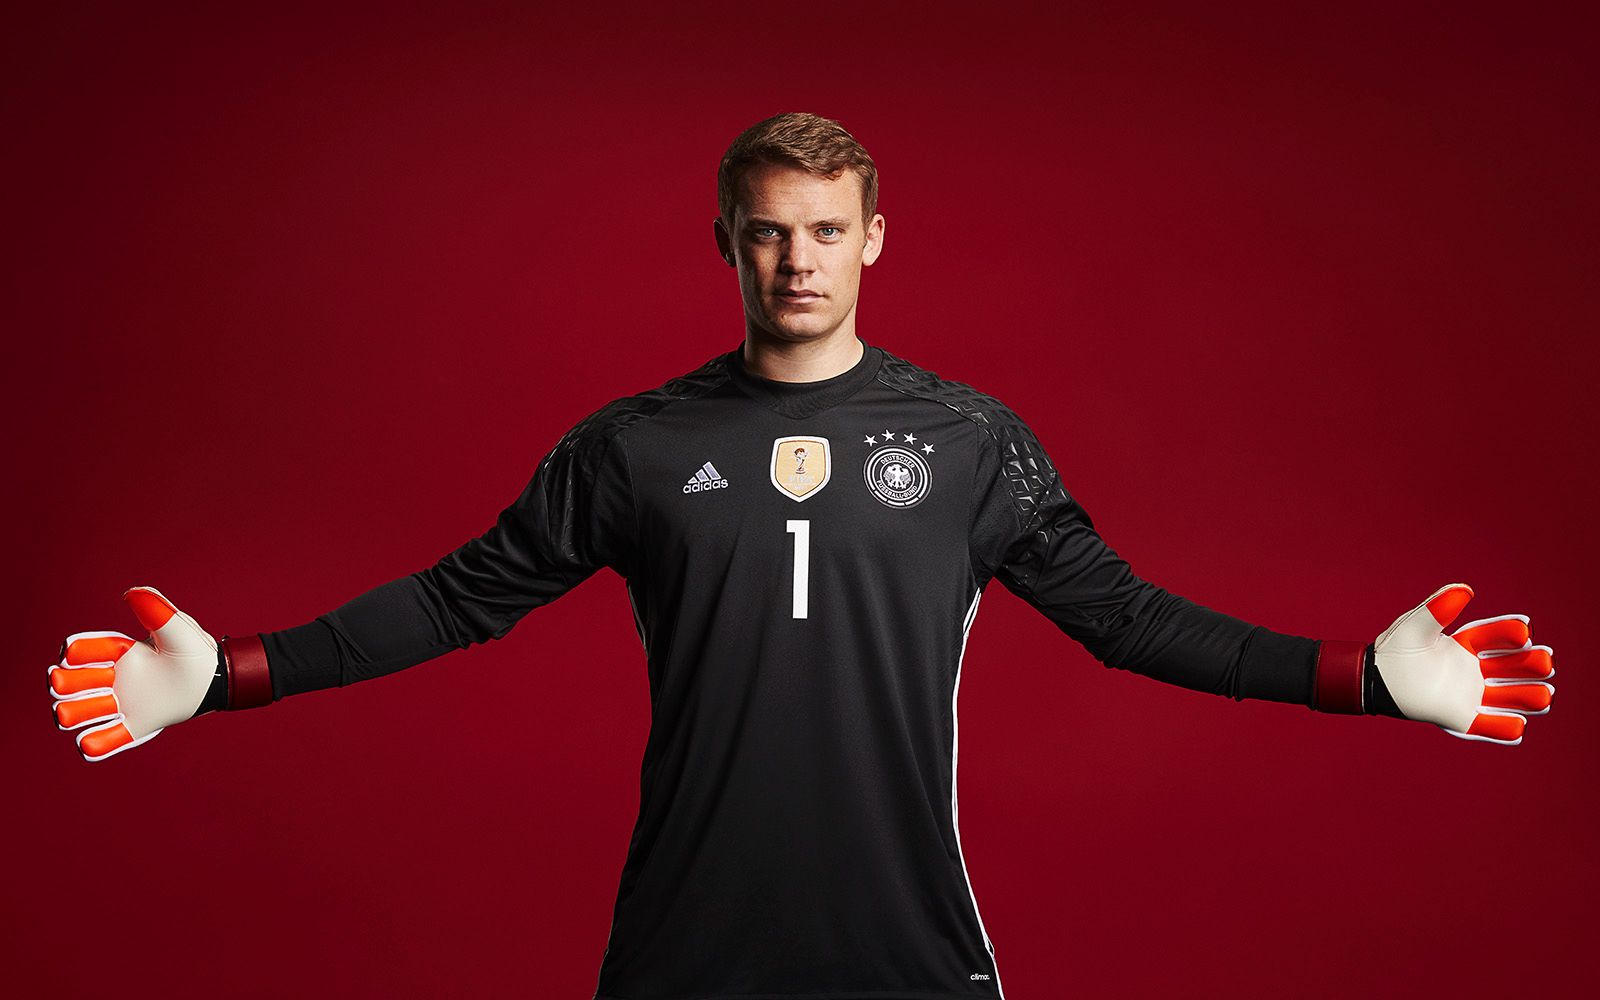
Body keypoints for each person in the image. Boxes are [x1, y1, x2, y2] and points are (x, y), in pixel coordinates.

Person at [47, 112, 1557, 1000]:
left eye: (826, 231)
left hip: (910, 959)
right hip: (679, 963)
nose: (798, 261)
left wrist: (1358, 677)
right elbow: (458, 601)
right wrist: (228, 676)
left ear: (875, 239)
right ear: (726, 241)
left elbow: (1123, 617)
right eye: (769, 233)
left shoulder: (969, 444)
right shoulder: (628, 448)